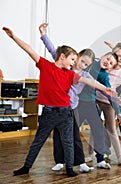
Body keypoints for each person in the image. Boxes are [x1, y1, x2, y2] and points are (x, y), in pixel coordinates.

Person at [3, 26, 111, 177]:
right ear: (62, 57)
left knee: (68, 142)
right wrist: (13, 36)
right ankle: (26, 167)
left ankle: (69, 169)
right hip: (48, 113)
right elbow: (29, 50)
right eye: (72, 59)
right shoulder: (46, 66)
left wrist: (105, 89)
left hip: (66, 112)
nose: (74, 63)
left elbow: (88, 81)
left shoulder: (70, 75)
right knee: (38, 141)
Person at [38, 23, 114, 172]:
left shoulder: (84, 75)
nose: (83, 65)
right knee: (59, 134)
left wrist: (109, 93)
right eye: (82, 61)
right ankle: (59, 161)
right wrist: (43, 35)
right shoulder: (66, 65)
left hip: (71, 107)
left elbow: (95, 83)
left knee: (79, 135)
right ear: (77, 56)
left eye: (87, 64)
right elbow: (53, 50)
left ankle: (92, 161)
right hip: (58, 105)